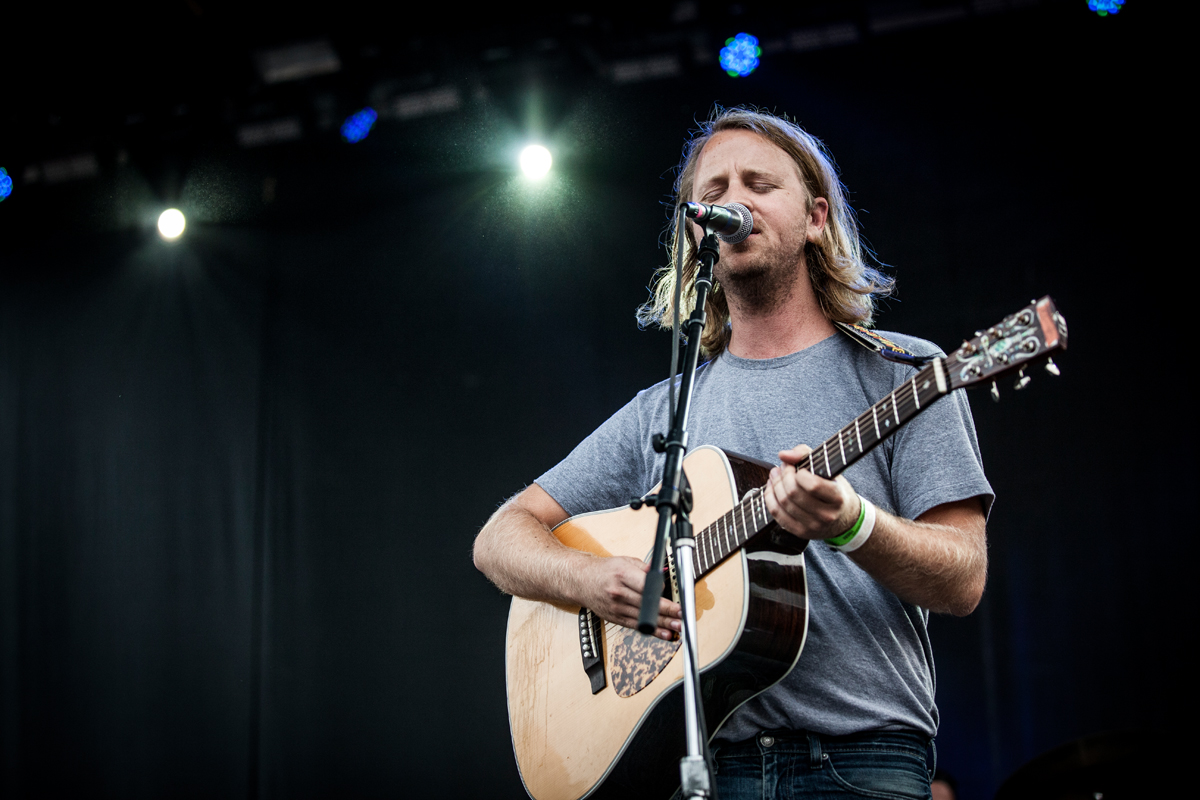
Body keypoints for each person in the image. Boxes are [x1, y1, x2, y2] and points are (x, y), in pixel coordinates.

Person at [473, 107, 993, 800]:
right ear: (695, 230)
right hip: (706, 769)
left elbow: (963, 579)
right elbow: (498, 539)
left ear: (814, 217)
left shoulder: (907, 375)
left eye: (757, 183)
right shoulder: (665, 411)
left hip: (862, 762)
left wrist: (850, 523)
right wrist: (592, 582)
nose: (732, 202)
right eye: (711, 193)